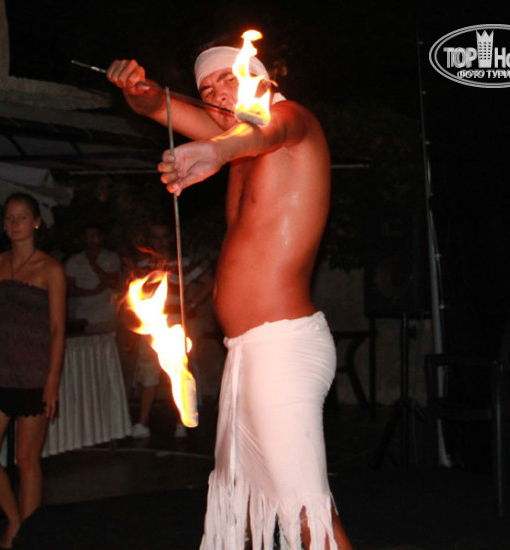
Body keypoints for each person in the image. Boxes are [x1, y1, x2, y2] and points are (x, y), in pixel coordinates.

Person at [108, 40, 353, 550]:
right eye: (206, 89)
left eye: (228, 78)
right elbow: (158, 107)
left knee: (306, 513)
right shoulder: (236, 139)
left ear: (260, 78)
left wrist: (215, 152)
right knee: (249, 505)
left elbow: (265, 131)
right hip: (246, 352)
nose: (218, 92)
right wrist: (135, 91)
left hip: (284, 346)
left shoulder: (290, 120)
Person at [0, 193, 66, 550]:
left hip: (33, 376)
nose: (14, 223)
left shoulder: (50, 270)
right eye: (8, 218)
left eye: (21, 217)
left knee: (26, 460)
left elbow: (57, 329)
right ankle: (16, 520)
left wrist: (52, 382)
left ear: (36, 222)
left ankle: (27, 537)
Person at [130, 220, 213, 439]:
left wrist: (192, 303)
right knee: (149, 372)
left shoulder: (183, 262)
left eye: (163, 236)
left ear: (170, 238)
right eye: (155, 237)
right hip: (151, 325)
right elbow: (135, 295)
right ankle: (143, 422)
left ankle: (182, 422)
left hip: (177, 323)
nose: (159, 241)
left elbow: (209, 282)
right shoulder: (143, 265)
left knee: (180, 370)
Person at [65, 223, 121, 334]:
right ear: (83, 239)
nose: (92, 240)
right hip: (83, 318)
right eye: (88, 236)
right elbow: (69, 289)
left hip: (107, 317)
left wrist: (93, 264)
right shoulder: (74, 260)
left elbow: (113, 282)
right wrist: (92, 292)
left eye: (95, 235)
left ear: (101, 237)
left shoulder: (111, 257)